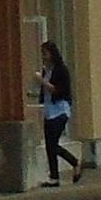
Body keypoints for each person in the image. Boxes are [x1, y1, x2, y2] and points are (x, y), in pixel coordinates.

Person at [38, 40, 86, 186]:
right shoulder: (46, 71)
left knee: (52, 144)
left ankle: (75, 162)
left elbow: (59, 90)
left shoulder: (61, 70)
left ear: (52, 54)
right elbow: (44, 92)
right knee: (49, 145)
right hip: (48, 110)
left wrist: (42, 82)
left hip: (60, 110)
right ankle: (54, 177)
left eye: (45, 53)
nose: (43, 57)